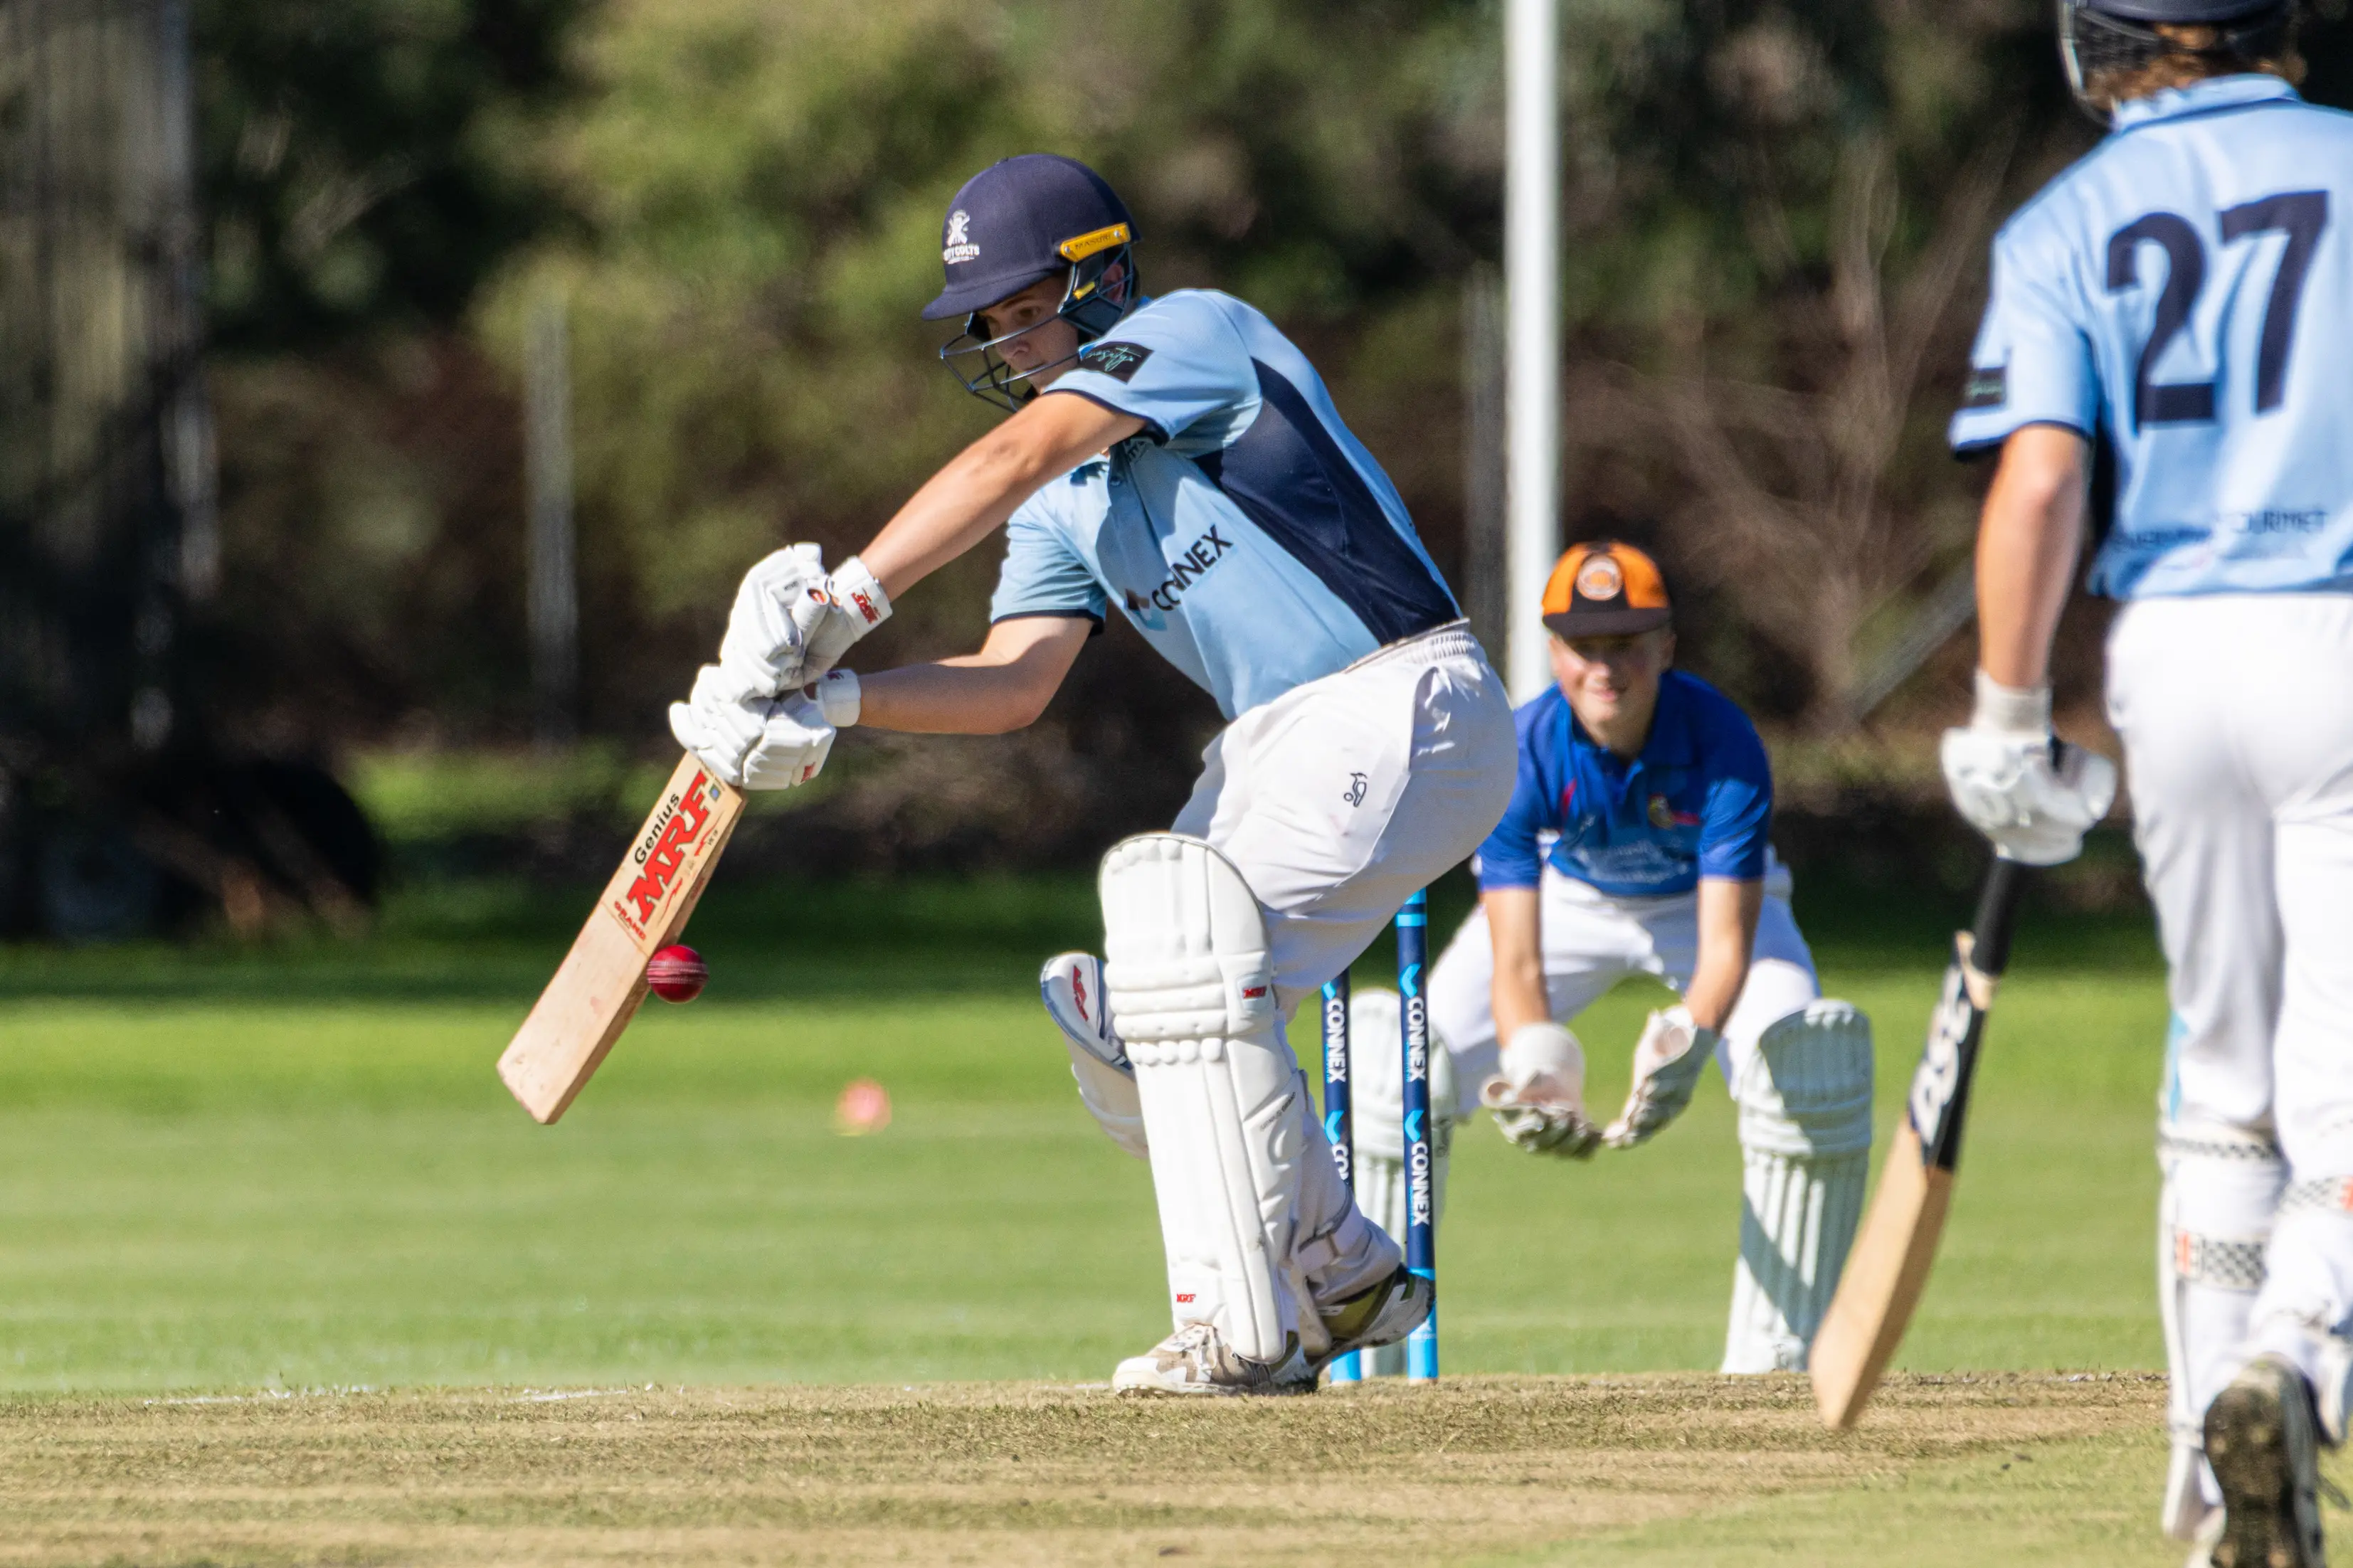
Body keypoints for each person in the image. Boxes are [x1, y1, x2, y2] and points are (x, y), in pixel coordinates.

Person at [663, 153, 1517, 1394]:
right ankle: (1335, 1269)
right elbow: (1013, 680)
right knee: (1132, 1020)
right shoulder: (1065, 502)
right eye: (991, 325)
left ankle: (1244, 1330)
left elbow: (1008, 456)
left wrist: (842, 601)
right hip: (1284, 740)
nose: (1011, 345)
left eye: (1026, 310)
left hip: (1400, 696)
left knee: (1179, 984)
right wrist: (834, 699)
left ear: (1104, 272)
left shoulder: (1197, 333)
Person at [1946, 4, 2353, 1561]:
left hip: (2170, 650)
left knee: (2224, 1077)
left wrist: (2003, 713)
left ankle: (2205, 1478)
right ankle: (2297, 1358)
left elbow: (2039, 479)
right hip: (2335, 625)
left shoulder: (2066, 216)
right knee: (2336, 1090)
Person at [1392, 541, 1875, 1376]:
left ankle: (1776, 1361)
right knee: (1400, 1061)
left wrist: (1689, 1041)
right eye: (1585, 647)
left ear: (1665, 647)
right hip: (1574, 897)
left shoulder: (1724, 742)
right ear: (1554, 652)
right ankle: (1374, 1352)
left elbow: (1725, 945)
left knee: (1802, 1060)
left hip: (1706, 904)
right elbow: (1515, 960)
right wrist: (1534, 1060)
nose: (1604, 668)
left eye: (1627, 645)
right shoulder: (1521, 749)